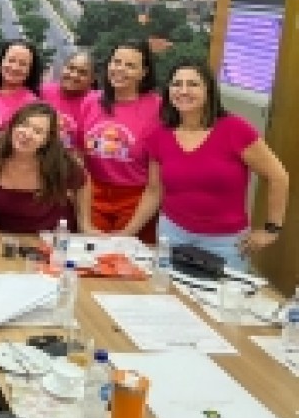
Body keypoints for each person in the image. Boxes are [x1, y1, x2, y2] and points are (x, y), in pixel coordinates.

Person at [124, 60, 289, 271]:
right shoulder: (159, 135)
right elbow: (154, 191)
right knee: (169, 290)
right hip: (172, 235)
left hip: (225, 243)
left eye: (193, 84)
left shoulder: (235, 129)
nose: (183, 91)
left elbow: (278, 176)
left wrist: (272, 229)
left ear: (208, 90)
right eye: (177, 84)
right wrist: (126, 233)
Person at [78, 41, 161, 242]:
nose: (120, 69)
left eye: (130, 65)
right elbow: (79, 157)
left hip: (136, 200)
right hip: (92, 195)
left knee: (129, 258)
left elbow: (156, 184)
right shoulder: (91, 101)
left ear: (143, 73)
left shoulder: (158, 108)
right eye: (116, 62)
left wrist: (128, 233)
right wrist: (83, 221)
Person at [0, 103, 89, 244]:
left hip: (49, 240)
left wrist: (85, 223)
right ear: (13, 125)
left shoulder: (59, 162)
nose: (27, 134)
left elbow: (83, 182)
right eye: (24, 125)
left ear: (47, 140)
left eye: (37, 131)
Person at [39, 49, 96, 150]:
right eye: (71, 68)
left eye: (82, 73)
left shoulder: (97, 103)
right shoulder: (42, 92)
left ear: (92, 79)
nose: (74, 75)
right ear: (63, 69)